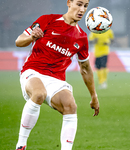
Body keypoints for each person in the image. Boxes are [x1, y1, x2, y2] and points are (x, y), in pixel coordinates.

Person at [15, 0, 99, 150]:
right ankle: (21, 145)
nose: (82, 9)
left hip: (56, 79)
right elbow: (19, 41)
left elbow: (85, 68)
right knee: (39, 93)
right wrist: (31, 37)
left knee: (71, 105)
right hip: (33, 71)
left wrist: (94, 95)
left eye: (85, 6)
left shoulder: (81, 37)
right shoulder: (48, 20)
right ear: (69, 3)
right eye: (79, 4)